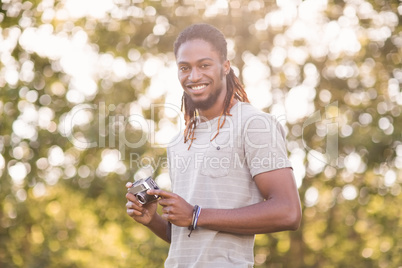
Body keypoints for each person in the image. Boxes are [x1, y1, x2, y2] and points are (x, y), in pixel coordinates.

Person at [126, 23, 302, 267]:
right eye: (184, 68)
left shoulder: (254, 124)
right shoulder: (180, 141)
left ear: (225, 67)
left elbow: (288, 212)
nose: (194, 76)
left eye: (204, 65)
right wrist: (153, 219)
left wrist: (196, 214)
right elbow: (189, 235)